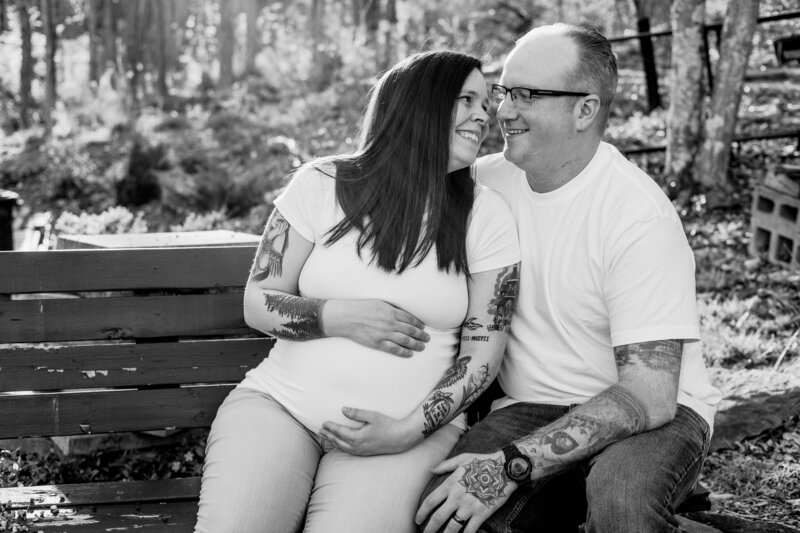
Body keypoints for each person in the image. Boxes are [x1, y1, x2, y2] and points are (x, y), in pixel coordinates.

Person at [194, 50, 521, 533]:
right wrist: (338, 316)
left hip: (406, 434)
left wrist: (406, 431)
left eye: (485, 101)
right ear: (420, 105)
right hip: (282, 409)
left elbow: (481, 356)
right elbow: (258, 301)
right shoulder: (321, 184)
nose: (484, 113)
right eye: (466, 99)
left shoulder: (485, 215)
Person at [416, 24, 722, 533]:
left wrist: (511, 464)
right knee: (446, 510)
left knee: (622, 508)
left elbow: (648, 394)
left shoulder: (637, 216)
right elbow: (396, 182)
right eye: (503, 91)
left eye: (526, 95)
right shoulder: (484, 183)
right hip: (531, 404)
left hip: (652, 411)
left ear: (585, 110)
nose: (503, 110)